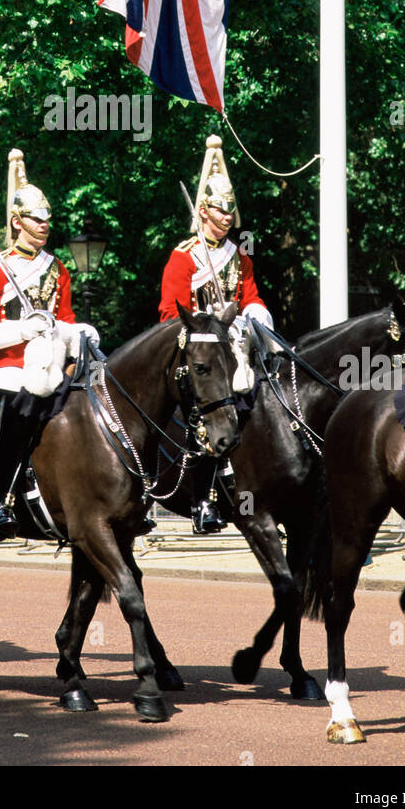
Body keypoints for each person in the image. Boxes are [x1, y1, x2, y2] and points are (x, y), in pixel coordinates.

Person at [0, 148, 96, 542]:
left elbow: (68, 319)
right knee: (18, 412)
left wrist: (81, 333)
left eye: (47, 218)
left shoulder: (57, 268)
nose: (45, 225)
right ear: (17, 222)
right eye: (36, 219)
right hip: (8, 364)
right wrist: (24, 330)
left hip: (51, 361)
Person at [160, 135, 274, 533]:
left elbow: (251, 296)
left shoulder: (238, 256)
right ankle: (202, 502)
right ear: (204, 211)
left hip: (233, 346)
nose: (228, 217)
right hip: (198, 352)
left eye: (231, 210)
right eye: (221, 210)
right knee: (205, 411)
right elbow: (169, 313)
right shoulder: (183, 256)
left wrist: (254, 315)